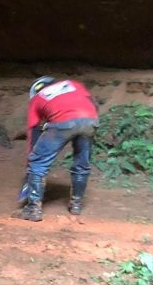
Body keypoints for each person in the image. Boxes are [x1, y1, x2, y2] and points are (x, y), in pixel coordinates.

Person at [20, 76, 100, 222]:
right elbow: (93, 103)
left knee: (38, 164)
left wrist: (30, 160)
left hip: (64, 121)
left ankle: (33, 209)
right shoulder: (73, 84)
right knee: (82, 163)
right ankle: (76, 205)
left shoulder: (37, 98)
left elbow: (34, 132)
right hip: (90, 119)